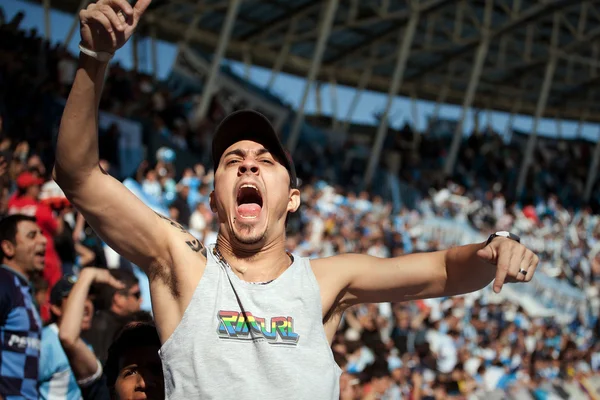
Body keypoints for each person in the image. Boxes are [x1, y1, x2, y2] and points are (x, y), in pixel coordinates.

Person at [53, 1, 540, 398]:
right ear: (213, 199)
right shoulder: (182, 268)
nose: (247, 164)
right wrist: (93, 60)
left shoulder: (328, 282)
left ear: (292, 199)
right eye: (232, 160)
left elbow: (449, 271)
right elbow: (78, 177)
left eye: (265, 160)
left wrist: (497, 244)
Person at [58, 267, 163, 400]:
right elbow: (68, 338)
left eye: (155, 369)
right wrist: (88, 275)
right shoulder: (103, 393)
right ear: (112, 388)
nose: (143, 383)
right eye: (131, 372)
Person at [0, 215, 46, 399]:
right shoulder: (3, 283)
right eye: (32, 235)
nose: (43, 240)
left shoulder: (22, 288)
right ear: (8, 248)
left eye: (42, 234)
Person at [38, 275, 95, 400]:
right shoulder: (44, 343)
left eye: (88, 297)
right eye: (76, 298)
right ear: (56, 308)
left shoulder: (86, 342)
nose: (85, 305)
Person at [81, 269, 141, 364]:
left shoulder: (101, 322)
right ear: (118, 298)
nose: (141, 300)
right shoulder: (103, 328)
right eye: (137, 294)